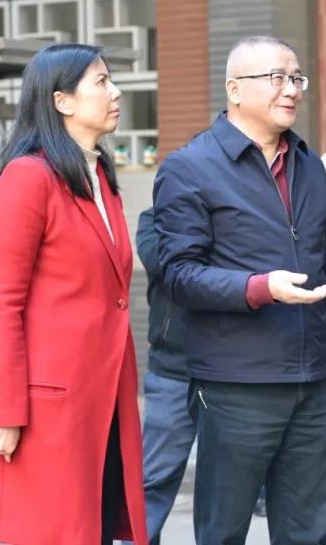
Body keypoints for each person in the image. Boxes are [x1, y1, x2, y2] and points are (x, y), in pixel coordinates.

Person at [153, 36, 326, 545]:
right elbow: (179, 275)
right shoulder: (189, 167)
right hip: (235, 383)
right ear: (234, 89)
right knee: (224, 529)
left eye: (297, 78)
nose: (292, 90)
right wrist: (260, 287)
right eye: (277, 78)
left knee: (308, 530)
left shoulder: (308, 164)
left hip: (310, 381)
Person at [0, 43, 147, 545]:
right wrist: (4, 410)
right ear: (62, 101)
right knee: (56, 531)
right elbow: (1, 303)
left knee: (96, 526)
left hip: (104, 397)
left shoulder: (99, 176)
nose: (116, 93)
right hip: (50, 405)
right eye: (101, 82)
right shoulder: (29, 177)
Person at [136, 206, 195, 544]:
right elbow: (161, 262)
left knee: (224, 491)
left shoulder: (229, 213)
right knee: (152, 482)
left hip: (228, 371)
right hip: (171, 372)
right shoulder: (153, 219)